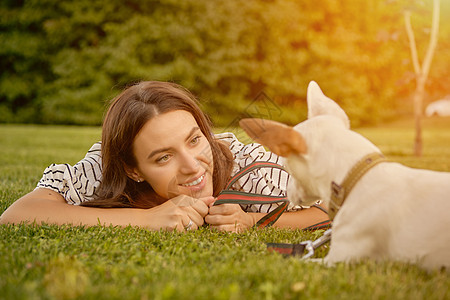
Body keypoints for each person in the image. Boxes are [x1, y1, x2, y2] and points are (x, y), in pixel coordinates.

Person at [0, 81, 329, 232]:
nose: (191, 165)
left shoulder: (253, 170)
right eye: (162, 157)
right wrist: (146, 220)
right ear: (133, 169)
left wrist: (252, 221)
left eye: (194, 140)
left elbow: (333, 208)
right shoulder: (104, 170)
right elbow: (18, 214)